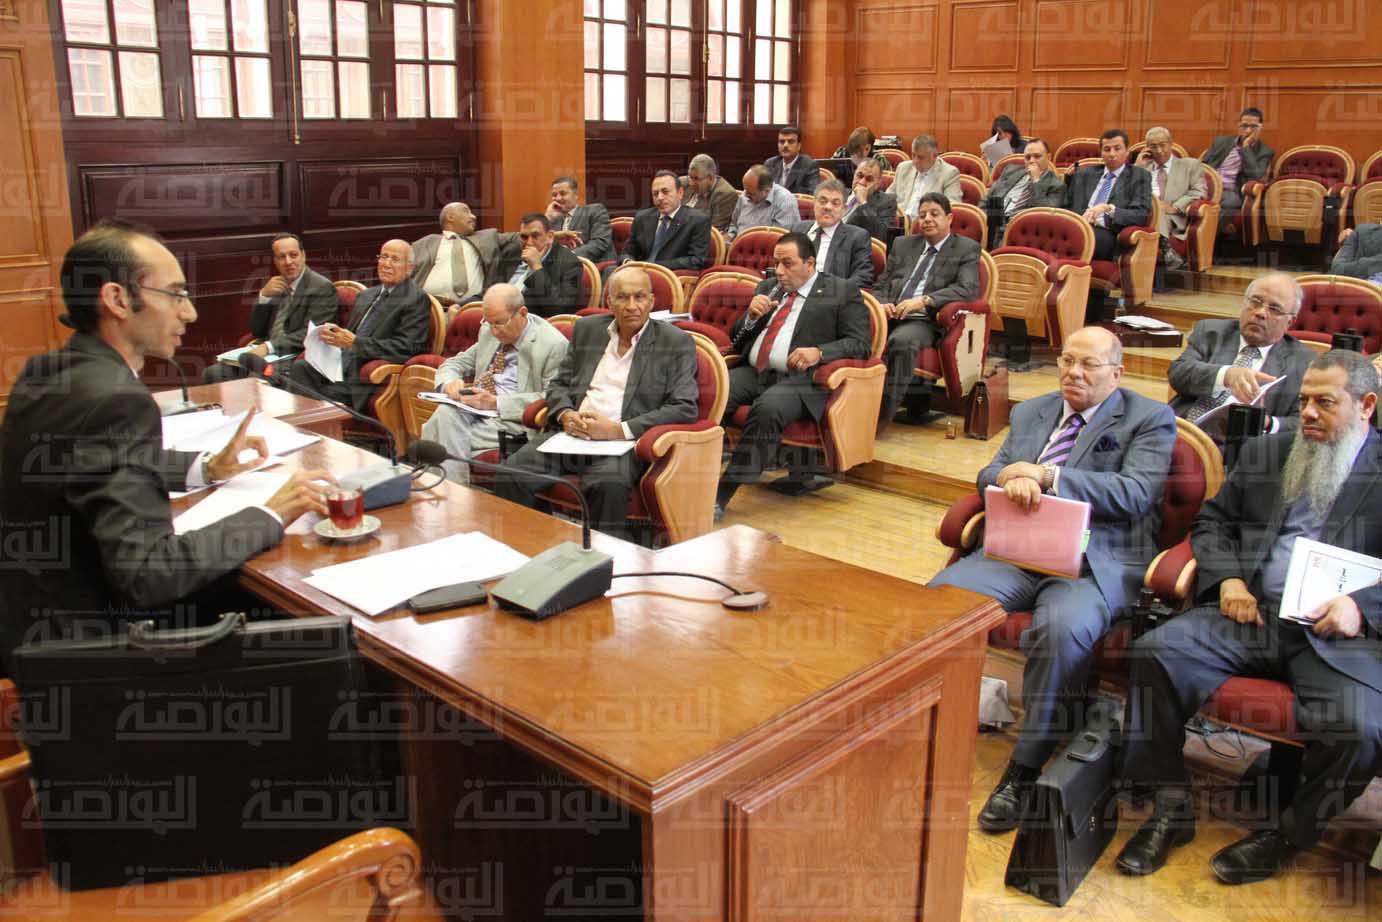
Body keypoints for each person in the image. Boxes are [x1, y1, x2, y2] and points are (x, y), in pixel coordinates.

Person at [0, 221, 331, 671]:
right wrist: (270, 513)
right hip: (95, 656)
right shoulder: (117, 399)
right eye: (175, 295)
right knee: (312, 622)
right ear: (118, 300)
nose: (189, 313)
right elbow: (148, 574)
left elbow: (93, 460)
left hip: (35, 626)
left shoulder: (49, 372)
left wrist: (205, 468)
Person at [1117, 350, 1381, 885]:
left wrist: (1360, 607)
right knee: (1155, 654)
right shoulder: (1270, 450)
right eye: (1303, 400)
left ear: (1366, 405)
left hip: (1337, 635)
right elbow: (1212, 523)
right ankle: (1171, 807)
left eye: (1325, 403)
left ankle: (1288, 836)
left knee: (1363, 729)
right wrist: (1229, 580)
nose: (1308, 413)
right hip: (1253, 612)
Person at [929, 326, 1176, 832]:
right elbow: (990, 472)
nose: (1074, 373)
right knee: (936, 603)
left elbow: (1134, 493)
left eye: (1088, 365)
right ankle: (928, 722)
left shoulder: (1150, 419)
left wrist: (1048, 476)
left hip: (1091, 563)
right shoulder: (1033, 411)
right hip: (1017, 551)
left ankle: (1023, 769)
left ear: (1117, 373)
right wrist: (1009, 476)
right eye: (1066, 361)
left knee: (1061, 631)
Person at [495, 267, 699, 539]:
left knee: (606, 485)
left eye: (639, 297)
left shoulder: (675, 342)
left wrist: (617, 430)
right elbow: (559, 384)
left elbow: (684, 407)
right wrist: (565, 413)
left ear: (651, 301)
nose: (632, 306)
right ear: (609, 301)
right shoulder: (588, 329)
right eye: (622, 297)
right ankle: (533, 545)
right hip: (571, 435)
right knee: (509, 474)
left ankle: (604, 559)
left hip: (624, 444)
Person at [714, 232, 871, 515]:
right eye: (776, 263)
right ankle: (690, 473)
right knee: (711, 394)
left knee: (768, 409)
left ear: (809, 263)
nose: (779, 271)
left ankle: (721, 493)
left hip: (801, 380)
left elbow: (860, 344)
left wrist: (819, 352)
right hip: (755, 371)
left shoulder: (841, 291)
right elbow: (737, 339)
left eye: (788, 264)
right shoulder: (768, 287)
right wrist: (750, 317)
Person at [420, 284, 568, 486]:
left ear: (522, 313)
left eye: (499, 323)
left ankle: (447, 494)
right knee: (445, 414)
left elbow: (552, 397)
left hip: (513, 418)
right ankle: (451, 494)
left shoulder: (553, 345)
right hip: (475, 409)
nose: (494, 331)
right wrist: (449, 382)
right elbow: (456, 363)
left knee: (439, 431)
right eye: (489, 322)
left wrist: (496, 403)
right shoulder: (489, 330)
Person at [875, 193, 981, 427]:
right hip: (890, 315)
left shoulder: (965, 248)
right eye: (922, 215)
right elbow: (882, 284)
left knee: (902, 341)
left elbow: (967, 290)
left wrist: (924, 300)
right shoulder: (903, 244)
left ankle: (879, 418)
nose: (927, 219)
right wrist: (882, 302)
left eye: (934, 214)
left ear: (949, 218)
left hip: (925, 320)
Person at [1168, 273, 1314, 442]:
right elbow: (1178, 373)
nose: (1260, 313)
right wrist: (1226, 375)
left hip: (1237, 448)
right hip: (1178, 431)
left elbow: (1302, 420)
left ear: (1290, 322)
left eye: (1274, 309)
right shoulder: (1211, 331)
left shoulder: (1302, 361)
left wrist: (1267, 423)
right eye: (1255, 302)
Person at [290, 238, 431, 411]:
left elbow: (406, 348)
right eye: (384, 257)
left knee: (303, 391)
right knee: (300, 368)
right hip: (339, 366)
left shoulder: (415, 299)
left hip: (362, 376)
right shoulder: (367, 295)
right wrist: (332, 338)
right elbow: (349, 336)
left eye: (394, 259)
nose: (386, 264)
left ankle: (315, 422)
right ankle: (310, 421)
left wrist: (354, 343)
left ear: (410, 268)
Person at [204, 232, 337, 383]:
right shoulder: (276, 285)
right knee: (213, 373)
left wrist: (268, 347)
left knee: (255, 380)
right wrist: (264, 297)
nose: (288, 262)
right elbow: (257, 331)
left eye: (293, 255)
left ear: (303, 256)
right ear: (275, 261)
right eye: (281, 257)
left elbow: (311, 333)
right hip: (266, 354)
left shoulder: (321, 287)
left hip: (296, 356)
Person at [1065, 128, 1153, 261]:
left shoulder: (1139, 176)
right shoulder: (1084, 174)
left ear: (1127, 151)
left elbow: (1140, 215)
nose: (1112, 154)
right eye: (1107, 149)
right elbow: (1069, 206)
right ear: (1101, 153)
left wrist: (1109, 209)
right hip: (1080, 225)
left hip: (1109, 231)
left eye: (1117, 149)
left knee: (1072, 241)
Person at [411, 202, 517, 306]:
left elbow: (520, 238)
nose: (474, 217)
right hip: (428, 307)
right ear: (450, 217)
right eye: (466, 211)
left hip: (472, 308)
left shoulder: (487, 237)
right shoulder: (424, 243)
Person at [1135, 127, 1207, 270]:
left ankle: (1166, 249)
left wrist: (1175, 207)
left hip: (1171, 216)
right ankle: (1167, 249)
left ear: (1171, 144)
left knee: (1157, 209)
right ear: (1147, 148)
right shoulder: (1142, 168)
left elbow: (1199, 192)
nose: (1159, 150)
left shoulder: (1189, 165)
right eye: (1153, 146)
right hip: (1142, 213)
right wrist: (1137, 168)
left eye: (1163, 145)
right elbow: (1126, 193)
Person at [619, 170, 711, 270]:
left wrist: (653, 267)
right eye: (655, 194)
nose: (660, 197)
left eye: (665, 192)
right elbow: (627, 252)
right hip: (636, 272)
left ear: (680, 193)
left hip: (669, 275)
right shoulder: (642, 218)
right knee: (610, 270)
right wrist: (628, 262)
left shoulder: (698, 220)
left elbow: (696, 260)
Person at [1201, 107, 1275, 233]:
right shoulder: (1221, 141)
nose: (1248, 130)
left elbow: (1255, 176)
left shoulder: (1265, 152)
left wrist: (1246, 148)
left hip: (1232, 190)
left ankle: (1205, 236)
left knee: (1231, 203)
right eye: (1244, 125)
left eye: (1253, 126)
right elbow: (1204, 164)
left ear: (1260, 128)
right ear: (1238, 125)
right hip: (1208, 184)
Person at [984, 138, 1066, 249]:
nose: (1031, 161)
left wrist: (1036, 181)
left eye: (1037, 156)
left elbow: (1044, 214)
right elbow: (989, 198)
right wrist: (983, 218)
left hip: (1021, 232)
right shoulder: (1011, 171)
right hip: (994, 221)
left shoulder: (1056, 186)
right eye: (1027, 157)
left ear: (1048, 158)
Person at [792, 179, 874, 288]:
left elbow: (863, 277)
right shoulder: (798, 229)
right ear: (814, 203)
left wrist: (833, 291)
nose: (828, 207)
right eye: (823, 201)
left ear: (844, 209)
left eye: (835, 203)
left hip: (829, 294)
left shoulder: (857, 237)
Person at [504, 213, 583, 317]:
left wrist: (536, 267)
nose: (529, 242)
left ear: (550, 237)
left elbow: (558, 310)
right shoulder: (512, 252)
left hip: (528, 320)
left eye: (535, 236)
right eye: (524, 237)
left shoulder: (570, 263)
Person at [892, 134, 962, 221]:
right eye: (913, 155)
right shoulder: (903, 168)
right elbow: (888, 197)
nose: (915, 161)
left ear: (934, 156)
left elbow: (952, 206)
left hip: (927, 222)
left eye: (920, 157)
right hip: (899, 222)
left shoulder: (949, 173)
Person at [545, 175, 614, 262]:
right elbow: (539, 242)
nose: (557, 198)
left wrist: (568, 256)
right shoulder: (554, 219)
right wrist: (547, 217)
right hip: (558, 266)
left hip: (593, 264)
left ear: (576, 195)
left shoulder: (595, 210)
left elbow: (599, 243)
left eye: (563, 193)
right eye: (554, 195)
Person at [728, 165, 800, 239]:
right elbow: (734, 224)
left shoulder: (785, 202)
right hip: (738, 243)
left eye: (751, 194)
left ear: (767, 191)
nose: (745, 195)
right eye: (745, 190)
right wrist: (730, 236)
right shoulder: (746, 193)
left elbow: (778, 239)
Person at [840, 158, 898, 241]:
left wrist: (863, 202)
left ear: (877, 184)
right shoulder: (840, 193)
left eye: (869, 179)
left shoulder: (887, 202)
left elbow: (881, 235)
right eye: (859, 176)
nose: (862, 182)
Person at [684, 154, 737, 232]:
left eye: (696, 179)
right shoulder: (683, 183)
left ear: (710, 178)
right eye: (690, 177)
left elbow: (713, 231)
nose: (691, 183)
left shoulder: (725, 195)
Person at [763, 125, 820, 195]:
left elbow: (813, 193)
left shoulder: (809, 165)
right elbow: (762, 190)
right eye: (782, 142)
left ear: (799, 146)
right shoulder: (770, 163)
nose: (785, 145)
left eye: (790, 142)